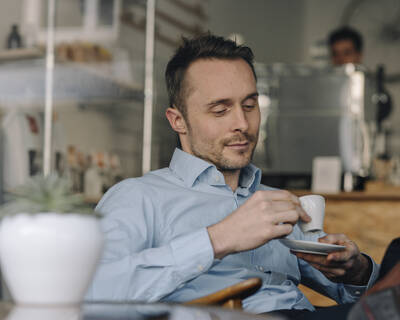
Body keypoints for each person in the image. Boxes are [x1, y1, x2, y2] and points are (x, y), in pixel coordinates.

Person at [86, 34, 379, 318]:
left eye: (250, 105)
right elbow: (90, 297)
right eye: (220, 110)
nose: (242, 123)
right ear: (179, 121)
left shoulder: (269, 201)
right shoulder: (139, 197)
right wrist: (217, 240)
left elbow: (350, 291)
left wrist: (357, 270)